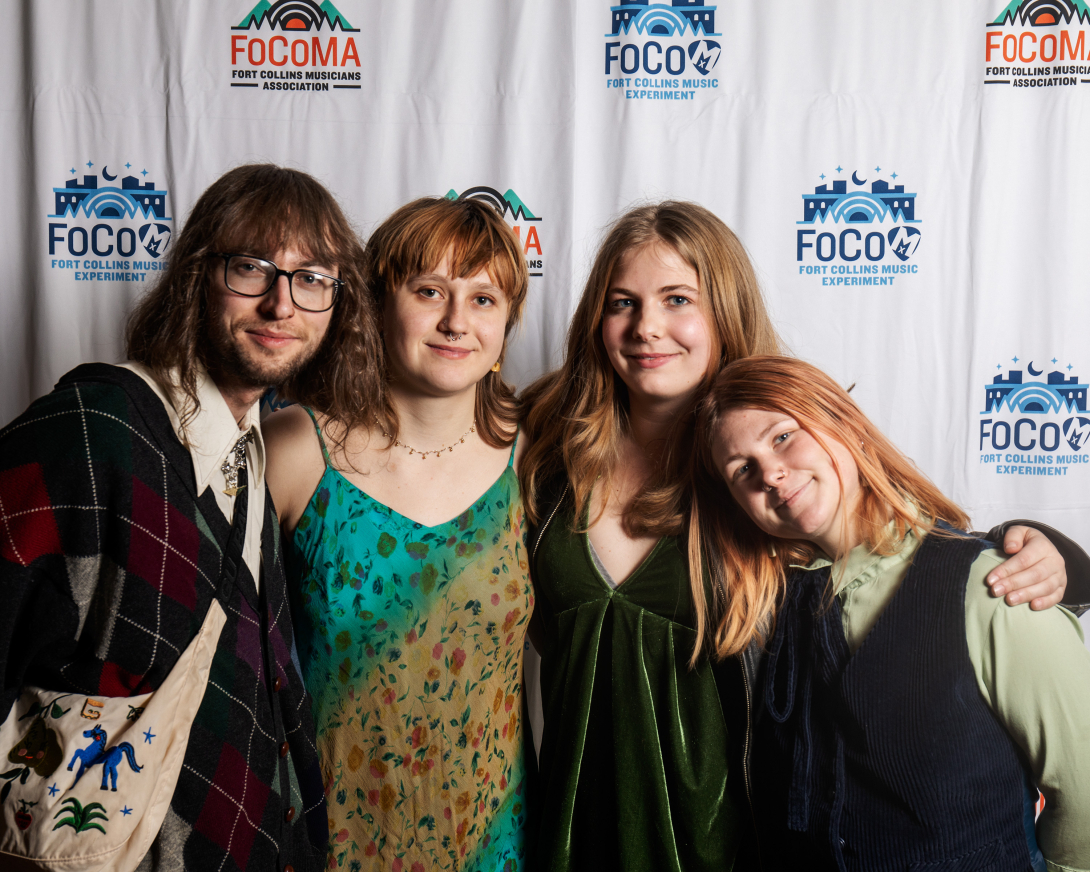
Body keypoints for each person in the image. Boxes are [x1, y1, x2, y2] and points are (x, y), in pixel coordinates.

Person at [517, 201, 1078, 872]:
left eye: (676, 299)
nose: (648, 328)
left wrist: (1054, 552)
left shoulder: (769, 469)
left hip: (733, 842)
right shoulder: (542, 454)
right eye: (622, 302)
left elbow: (894, 550)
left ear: (723, 310)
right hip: (574, 832)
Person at [0, 163, 380, 871]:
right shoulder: (89, 433)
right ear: (197, 276)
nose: (281, 304)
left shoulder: (255, 454)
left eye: (312, 280)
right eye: (251, 268)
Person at [691, 354, 1090, 871]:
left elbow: (1082, 795)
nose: (770, 472)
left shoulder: (993, 586)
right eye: (742, 469)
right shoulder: (767, 610)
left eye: (783, 436)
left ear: (844, 424)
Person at [264, 196, 534, 872]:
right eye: (429, 290)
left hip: (494, 842)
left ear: (507, 325)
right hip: (328, 840)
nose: (455, 321)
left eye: (483, 299)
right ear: (377, 305)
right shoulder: (294, 451)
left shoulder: (534, 461)